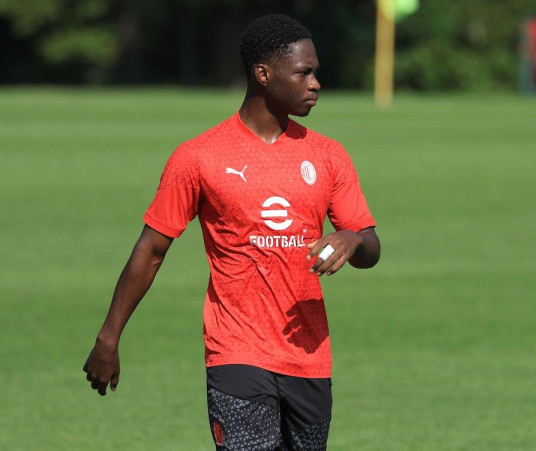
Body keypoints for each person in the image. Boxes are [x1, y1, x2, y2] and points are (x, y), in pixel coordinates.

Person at [83, 14, 380, 450]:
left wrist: (352, 239)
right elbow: (151, 250)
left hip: (310, 355)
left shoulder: (329, 156)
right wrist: (108, 337)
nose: (316, 83)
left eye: (315, 72)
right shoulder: (198, 157)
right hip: (235, 350)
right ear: (264, 74)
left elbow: (371, 247)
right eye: (304, 72)